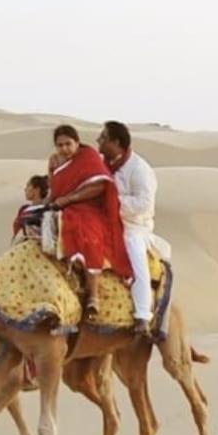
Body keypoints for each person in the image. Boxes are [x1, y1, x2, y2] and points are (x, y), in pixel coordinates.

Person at [46, 124, 131, 321]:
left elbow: (99, 185)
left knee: (86, 233)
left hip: (90, 210)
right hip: (64, 208)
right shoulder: (59, 162)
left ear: (77, 142)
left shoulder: (89, 157)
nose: (64, 149)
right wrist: (52, 172)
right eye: (60, 145)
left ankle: (93, 295)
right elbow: (55, 190)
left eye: (68, 144)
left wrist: (68, 200)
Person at [97, 120, 160, 336]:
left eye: (103, 138)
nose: (99, 141)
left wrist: (115, 202)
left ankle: (142, 314)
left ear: (116, 142)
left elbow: (144, 203)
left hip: (133, 226)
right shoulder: (102, 164)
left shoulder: (139, 169)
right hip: (104, 221)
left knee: (135, 254)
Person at [12, 174, 49, 242]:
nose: (25, 189)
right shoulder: (23, 209)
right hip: (18, 246)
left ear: (37, 189)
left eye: (28, 185)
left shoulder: (45, 211)